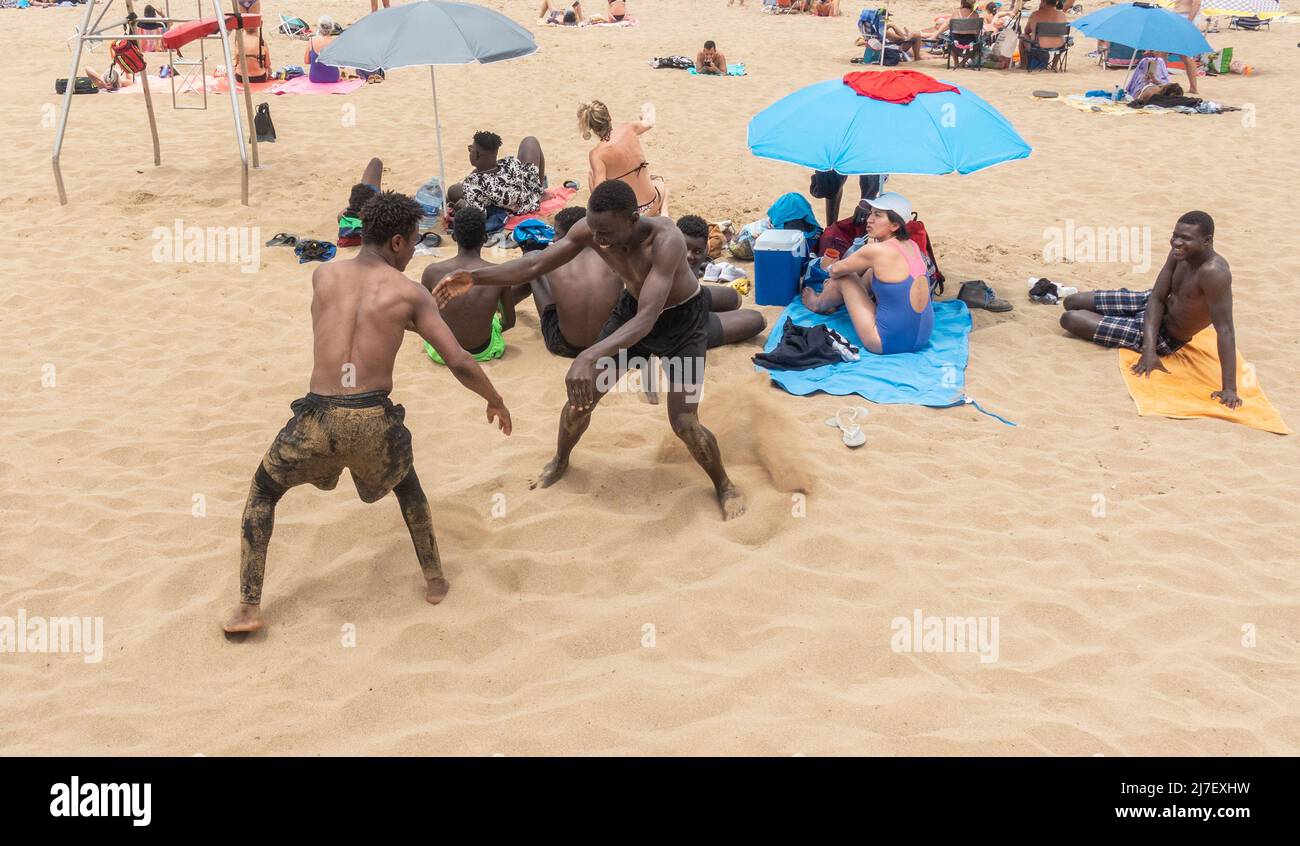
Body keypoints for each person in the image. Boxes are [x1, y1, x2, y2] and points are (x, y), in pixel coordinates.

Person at [223, 192, 513, 635]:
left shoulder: (323, 275)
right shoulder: (410, 293)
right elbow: (458, 359)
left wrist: (421, 307)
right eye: (414, 242)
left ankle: (247, 607)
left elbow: (356, 320)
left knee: (263, 493)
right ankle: (435, 581)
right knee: (409, 488)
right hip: (373, 422)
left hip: (315, 419)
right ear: (397, 242)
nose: (415, 250)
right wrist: (494, 398)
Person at [434, 180, 746, 520]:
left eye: (606, 232)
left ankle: (724, 485)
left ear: (633, 218)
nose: (598, 241)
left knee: (685, 422)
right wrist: (477, 277)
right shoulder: (591, 229)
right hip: (631, 309)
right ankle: (560, 460)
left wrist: (589, 354)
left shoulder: (666, 240)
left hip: (680, 324)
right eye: (594, 231)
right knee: (580, 401)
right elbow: (535, 266)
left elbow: (647, 320)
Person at [1059, 211, 1238, 408]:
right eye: (1175, 235)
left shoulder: (1214, 273)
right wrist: (1148, 350)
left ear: (1206, 241)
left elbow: (1225, 330)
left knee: (1070, 319)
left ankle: (1121, 325)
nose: (1176, 242)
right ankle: (1120, 322)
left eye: (1185, 238)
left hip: (1167, 334)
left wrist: (1230, 389)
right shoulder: (1179, 253)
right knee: (1072, 301)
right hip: (1148, 303)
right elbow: (1157, 297)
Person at [800, 193, 935, 355]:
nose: (869, 219)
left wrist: (830, 270)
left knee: (845, 276)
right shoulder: (912, 245)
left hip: (885, 343)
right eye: (871, 213)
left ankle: (819, 304)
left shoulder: (876, 250)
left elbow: (836, 270)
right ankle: (834, 301)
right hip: (922, 338)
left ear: (894, 226)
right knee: (872, 272)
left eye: (878, 215)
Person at [515, 207, 624, 358]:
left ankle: (504, 306)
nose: (553, 239)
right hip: (607, 344)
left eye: (557, 234)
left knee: (534, 271)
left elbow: (526, 267)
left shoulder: (552, 260)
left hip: (564, 345)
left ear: (571, 235)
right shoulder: (616, 258)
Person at [419, 206, 515, 364]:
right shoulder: (498, 274)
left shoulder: (432, 272)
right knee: (494, 320)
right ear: (484, 238)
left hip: (443, 352)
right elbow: (509, 322)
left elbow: (424, 317)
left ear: (454, 237)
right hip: (483, 350)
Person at [676, 215, 767, 347]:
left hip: (693, 303)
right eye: (685, 248)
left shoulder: (692, 262)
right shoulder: (663, 268)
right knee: (758, 320)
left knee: (735, 298)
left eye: (696, 251)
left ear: (706, 250)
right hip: (684, 327)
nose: (689, 256)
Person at [578, 100, 668, 218]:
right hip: (652, 206)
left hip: (628, 216)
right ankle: (665, 213)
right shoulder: (629, 127)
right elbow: (650, 122)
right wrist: (645, 110)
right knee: (660, 183)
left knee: (591, 174)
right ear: (609, 117)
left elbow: (599, 193)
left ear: (591, 128)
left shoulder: (596, 154)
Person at [448, 131, 546, 222]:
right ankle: (540, 190)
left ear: (477, 155)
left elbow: (479, 218)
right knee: (530, 141)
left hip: (522, 207)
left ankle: (539, 193)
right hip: (529, 189)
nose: (469, 152)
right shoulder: (510, 163)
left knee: (452, 191)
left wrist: (457, 213)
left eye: (470, 149)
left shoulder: (474, 187)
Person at [338, 158, 383, 247]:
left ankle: (358, 204)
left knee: (375, 162)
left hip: (358, 211)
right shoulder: (377, 221)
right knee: (376, 162)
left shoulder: (342, 218)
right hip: (368, 208)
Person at [1020, 0, 1070, 70]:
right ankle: (1054, 65)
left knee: (1022, 37)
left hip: (1039, 46)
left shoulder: (1035, 14)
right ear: (1057, 2)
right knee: (1060, 39)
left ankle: (1023, 65)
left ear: (1043, 2)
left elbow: (1026, 31)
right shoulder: (1062, 15)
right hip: (1059, 46)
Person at [1171, 0, 1202, 95]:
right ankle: (1161, 81)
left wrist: (1188, 22)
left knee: (1185, 54)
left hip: (1186, 17)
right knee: (1162, 51)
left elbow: (1197, 3)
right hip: (1178, 16)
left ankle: (1193, 87)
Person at [304, 16, 341, 84]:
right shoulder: (335, 41)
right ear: (332, 28)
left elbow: (306, 61)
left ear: (319, 28)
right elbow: (341, 65)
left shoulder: (312, 40)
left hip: (315, 78)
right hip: (333, 77)